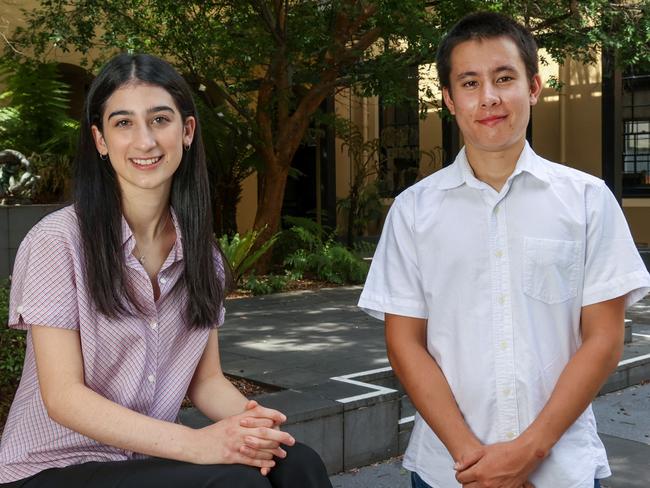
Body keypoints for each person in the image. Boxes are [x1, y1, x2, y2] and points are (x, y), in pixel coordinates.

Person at [0, 53, 332, 488]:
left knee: (298, 463)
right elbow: (63, 398)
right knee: (234, 484)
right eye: (123, 123)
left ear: (187, 130)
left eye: (160, 119)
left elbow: (206, 382)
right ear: (100, 140)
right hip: (51, 466)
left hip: (141, 460)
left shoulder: (201, 254)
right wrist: (198, 445)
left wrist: (253, 428)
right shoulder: (58, 241)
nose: (145, 141)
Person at [358, 11, 650, 488]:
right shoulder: (413, 212)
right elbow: (405, 342)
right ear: (449, 99)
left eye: (504, 77)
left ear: (533, 86)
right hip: (448, 470)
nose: (488, 98)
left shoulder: (587, 200)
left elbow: (604, 338)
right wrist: (474, 460)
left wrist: (527, 452)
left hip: (560, 470)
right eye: (469, 83)